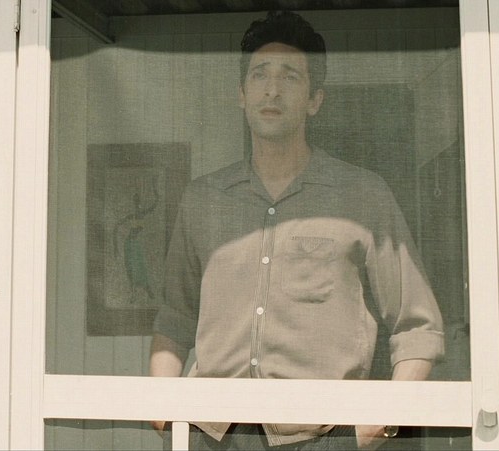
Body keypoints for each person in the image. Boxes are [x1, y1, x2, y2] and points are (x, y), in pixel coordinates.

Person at [149, 11, 444, 450]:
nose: (272, 89)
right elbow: (173, 321)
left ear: (314, 100)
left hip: (322, 436)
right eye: (259, 75)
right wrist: (164, 415)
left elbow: (418, 327)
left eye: (290, 76)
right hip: (211, 436)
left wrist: (377, 426)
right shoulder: (202, 199)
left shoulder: (363, 196)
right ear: (241, 94)